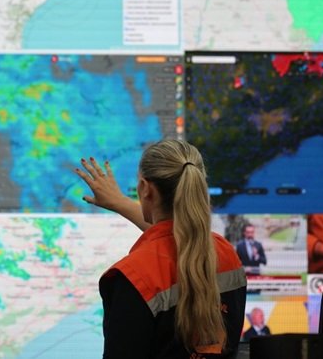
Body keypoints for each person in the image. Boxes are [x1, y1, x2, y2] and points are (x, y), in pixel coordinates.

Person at [75, 140, 246, 358]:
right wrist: (120, 203)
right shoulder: (227, 254)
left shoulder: (134, 277)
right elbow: (176, 234)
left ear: (145, 188)